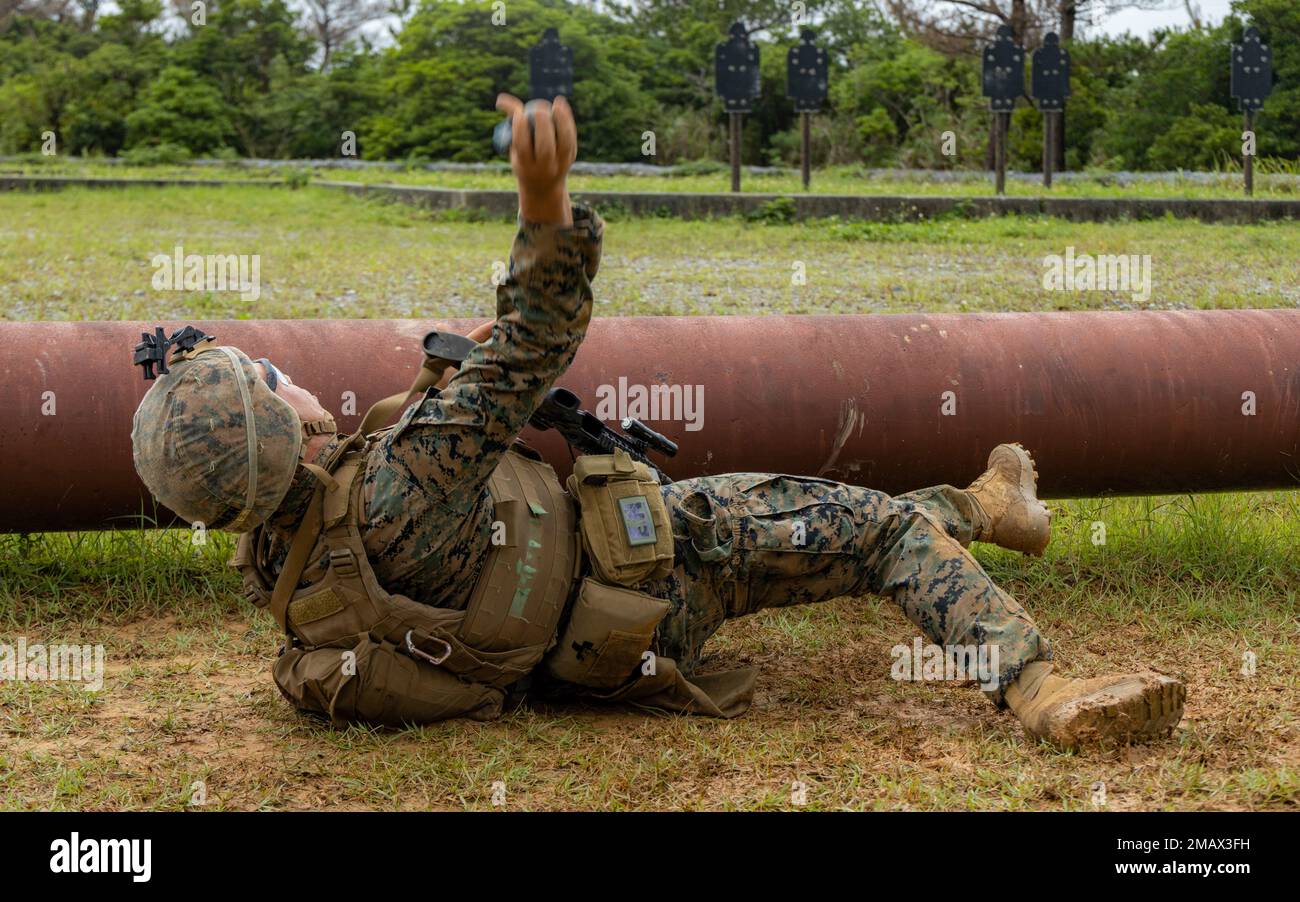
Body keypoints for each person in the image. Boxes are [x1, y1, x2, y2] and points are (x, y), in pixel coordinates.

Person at [131, 94, 1185, 748]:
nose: (284, 375)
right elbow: (536, 332)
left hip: (594, 648)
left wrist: (188, 378)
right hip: (658, 553)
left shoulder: (277, 559)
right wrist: (544, 204)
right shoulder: (415, 467)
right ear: (285, 431)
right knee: (876, 531)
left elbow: (222, 456)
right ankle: (1043, 686)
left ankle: (987, 500)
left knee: (833, 540)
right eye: (267, 379)